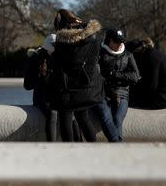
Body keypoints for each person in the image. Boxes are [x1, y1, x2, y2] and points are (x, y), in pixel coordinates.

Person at [47, 9, 106, 142]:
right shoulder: (93, 38)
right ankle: (94, 146)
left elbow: (56, 66)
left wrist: (52, 57)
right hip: (85, 88)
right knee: (83, 118)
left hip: (67, 90)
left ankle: (70, 149)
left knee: (65, 119)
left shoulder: (62, 42)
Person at [98, 28, 140, 141]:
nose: (119, 44)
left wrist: (114, 74)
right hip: (103, 94)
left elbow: (135, 76)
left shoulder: (128, 55)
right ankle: (118, 145)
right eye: (116, 41)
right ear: (109, 40)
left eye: (121, 41)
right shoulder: (100, 53)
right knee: (106, 118)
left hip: (122, 94)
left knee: (117, 119)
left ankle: (116, 146)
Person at [129, 38, 166, 109]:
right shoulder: (153, 53)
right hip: (161, 94)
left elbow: (151, 85)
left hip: (161, 99)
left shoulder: (152, 57)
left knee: (129, 98)